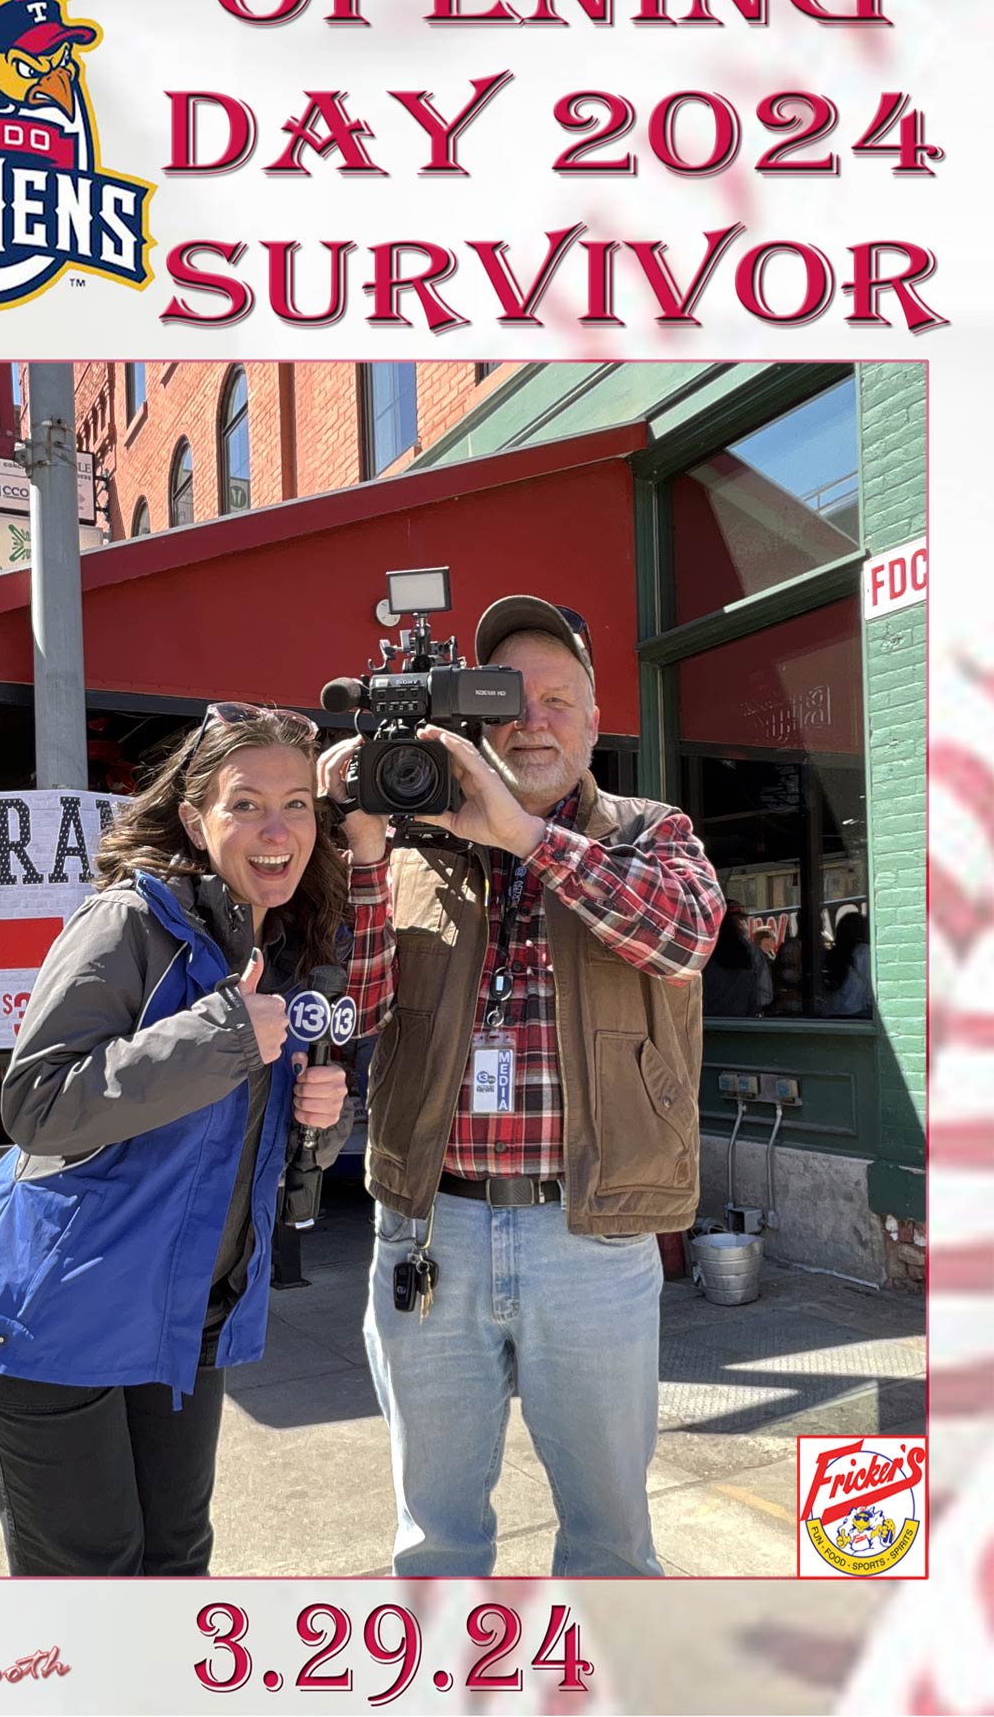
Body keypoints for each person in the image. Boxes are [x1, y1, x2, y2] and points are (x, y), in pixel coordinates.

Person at [319, 595, 725, 1579]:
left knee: (611, 1543)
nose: (531, 721)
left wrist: (528, 838)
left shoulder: (650, 833)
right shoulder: (415, 848)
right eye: (506, 701)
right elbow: (355, 1008)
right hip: (429, 1232)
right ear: (471, 723)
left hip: (591, 1238)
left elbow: (684, 936)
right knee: (434, 1541)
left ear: (594, 721)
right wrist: (366, 849)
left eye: (557, 699)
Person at [0, 706, 354, 1576]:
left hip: (180, 1316)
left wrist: (323, 1112)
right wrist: (226, 1037)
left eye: (298, 805)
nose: (278, 831)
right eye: (246, 805)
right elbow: (39, 1103)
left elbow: (232, 1140)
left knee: (175, 1560)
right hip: (55, 1318)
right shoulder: (126, 922)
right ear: (196, 820)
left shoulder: (281, 942)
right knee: (90, 1577)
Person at [702, 901, 773, 1017]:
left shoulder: (701, 950)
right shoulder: (752, 953)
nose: (743, 924)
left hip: (707, 1022)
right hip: (740, 1023)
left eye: (742, 920)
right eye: (739, 920)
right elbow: (764, 996)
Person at [821, 910, 872, 1017]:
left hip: (832, 1011)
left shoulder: (833, 953)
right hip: (856, 1010)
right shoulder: (863, 952)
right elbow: (870, 985)